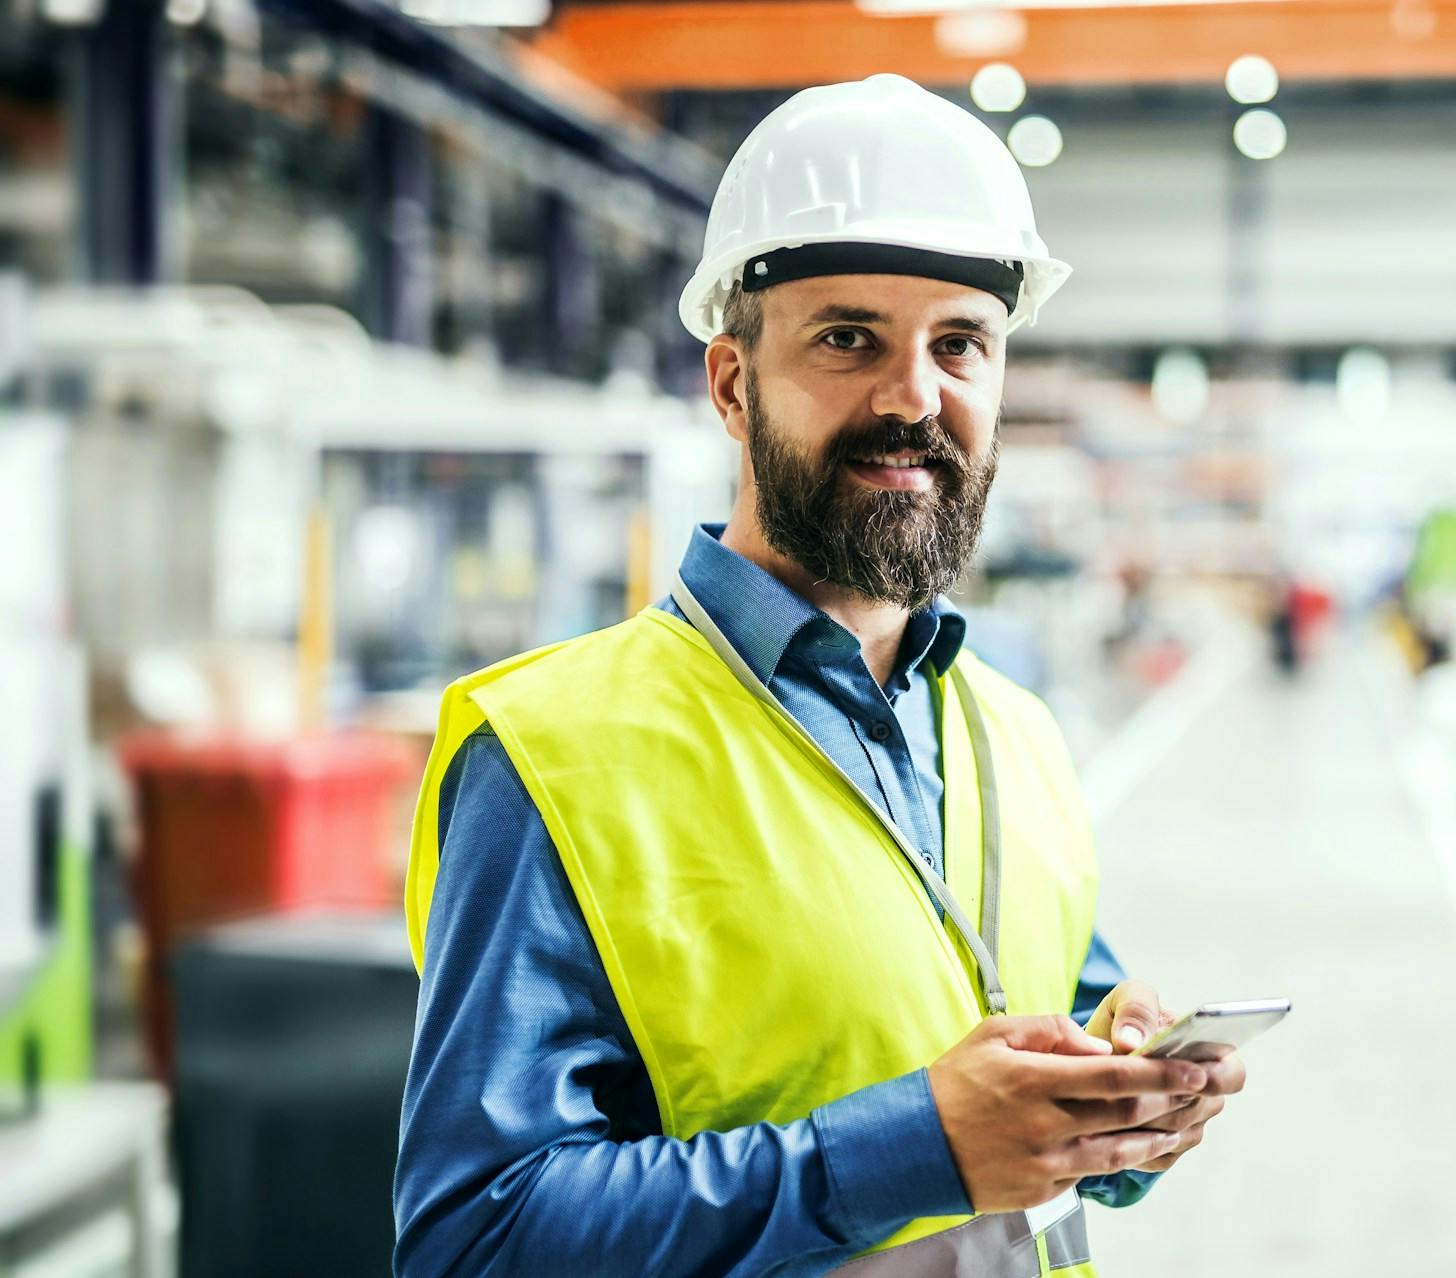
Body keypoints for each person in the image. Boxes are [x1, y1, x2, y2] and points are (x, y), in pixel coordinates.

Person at [393, 74, 1246, 1277]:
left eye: (962, 344)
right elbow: (473, 1241)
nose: (914, 396)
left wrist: (1126, 1101)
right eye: (849, 339)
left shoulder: (1012, 730)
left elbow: (1043, 1032)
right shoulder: (552, 755)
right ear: (733, 386)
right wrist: (915, 1149)